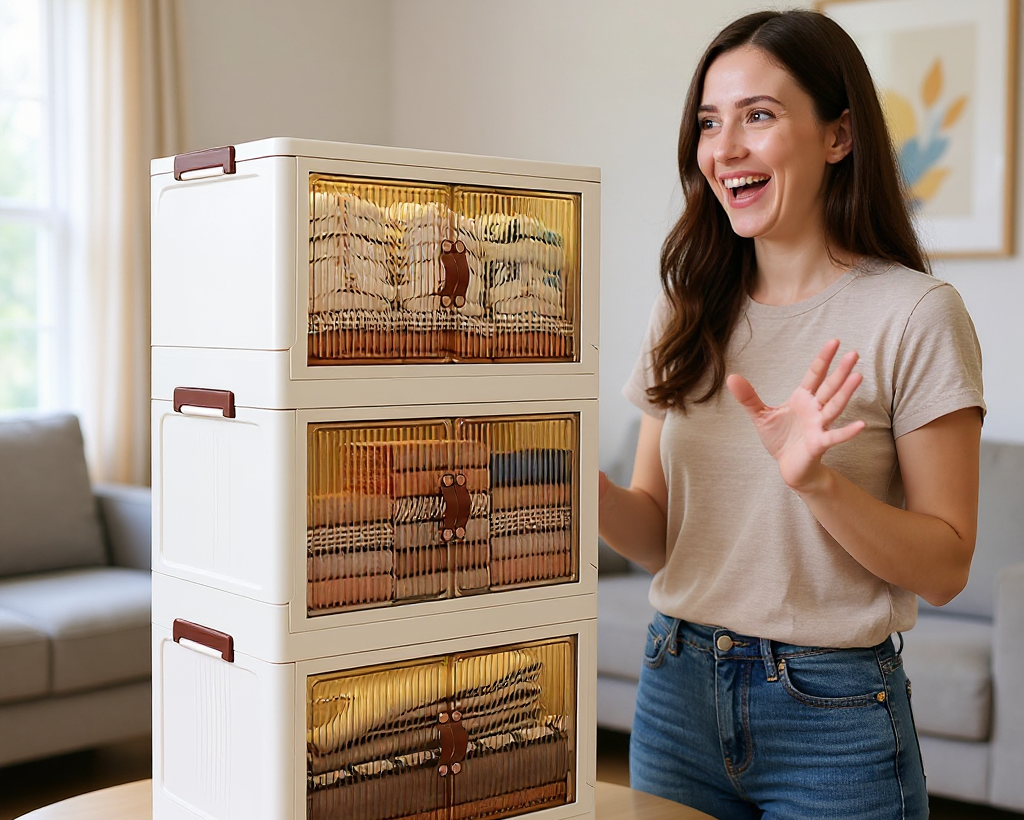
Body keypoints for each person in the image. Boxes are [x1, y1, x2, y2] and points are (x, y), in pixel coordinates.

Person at [598, 9, 984, 820]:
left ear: (838, 136)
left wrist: (815, 484)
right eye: (710, 122)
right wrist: (568, 475)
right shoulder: (687, 306)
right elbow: (653, 532)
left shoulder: (914, 313)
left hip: (833, 715)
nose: (724, 147)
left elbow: (947, 566)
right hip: (675, 686)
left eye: (758, 116)